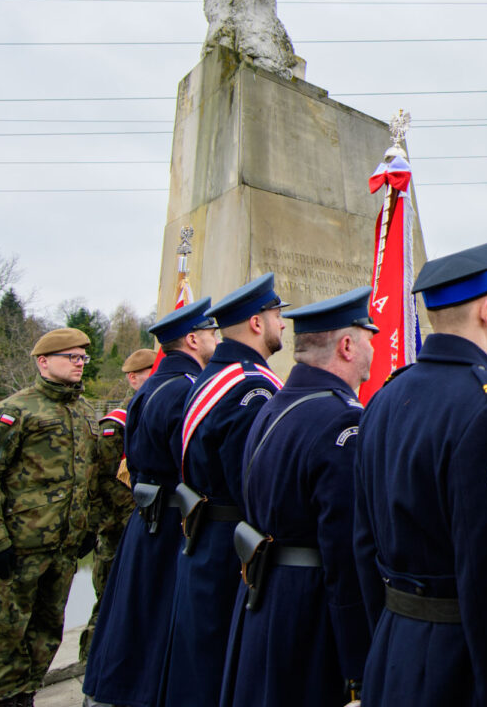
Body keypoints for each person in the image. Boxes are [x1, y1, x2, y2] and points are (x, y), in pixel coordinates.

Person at [354, 240, 487, 706]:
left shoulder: (384, 399)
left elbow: (363, 544)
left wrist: (391, 630)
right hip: (459, 668)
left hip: (392, 646)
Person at [220, 287, 375, 707]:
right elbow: (345, 552)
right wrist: (358, 664)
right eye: (368, 340)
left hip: (262, 595)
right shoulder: (343, 420)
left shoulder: (273, 405)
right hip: (309, 613)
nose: (371, 353)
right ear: (346, 346)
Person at [83, 300, 217, 707]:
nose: (216, 339)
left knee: (136, 622)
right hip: (170, 520)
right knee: (157, 625)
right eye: (211, 333)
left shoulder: (156, 384)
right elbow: (190, 462)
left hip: (150, 517)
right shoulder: (184, 389)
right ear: (193, 339)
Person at [161, 276, 287, 707]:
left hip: (207, 534)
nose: (283, 325)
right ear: (256, 322)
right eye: (277, 315)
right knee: (218, 670)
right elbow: (251, 483)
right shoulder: (250, 387)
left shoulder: (214, 374)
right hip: (229, 546)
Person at [0, 327, 102, 707]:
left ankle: (26, 694)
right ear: (43, 362)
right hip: (20, 546)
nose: (79, 364)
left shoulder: (83, 411)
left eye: (83, 358)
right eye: (71, 357)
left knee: (47, 632)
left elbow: (89, 476)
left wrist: (87, 527)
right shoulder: (15, 411)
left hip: (63, 548)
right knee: (8, 633)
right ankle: (5, 700)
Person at [78, 348, 154, 661]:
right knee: (108, 600)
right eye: (151, 371)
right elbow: (99, 482)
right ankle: (91, 663)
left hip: (140, 526)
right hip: (114, 530)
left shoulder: (149, 414)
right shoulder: (116, 425)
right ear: (133, 378)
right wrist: (97, 526)